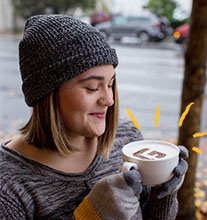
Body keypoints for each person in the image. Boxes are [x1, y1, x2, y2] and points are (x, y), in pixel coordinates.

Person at [0, 14, 188, 220]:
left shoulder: (125, 138)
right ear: (47, 94)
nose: (109, 100)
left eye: (110, 84)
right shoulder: (8, 184)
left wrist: (164, 192)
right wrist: (90, 215)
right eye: (92, 87)